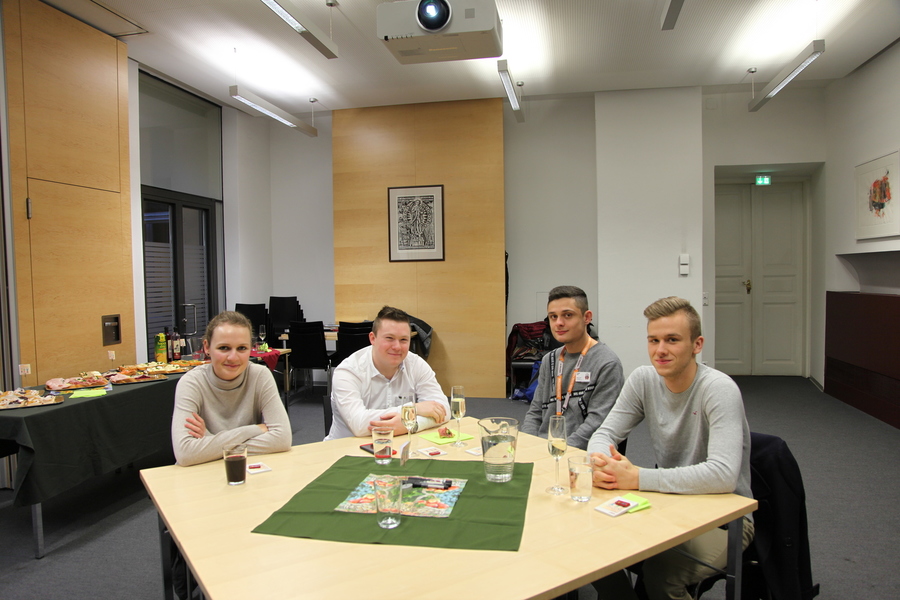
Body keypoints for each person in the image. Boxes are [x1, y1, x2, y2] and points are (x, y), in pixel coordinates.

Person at [588, 297, 754, 600]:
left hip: (725, 520)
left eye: (672, 340)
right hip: (668, 503)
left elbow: (723, 475)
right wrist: (600, 463)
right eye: (654, 340)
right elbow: (604, 434)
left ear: (697, 344)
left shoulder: (718, 389)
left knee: (662, 573)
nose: (660, 350)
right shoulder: (643, 379)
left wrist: (636, 478)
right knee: (593, 546)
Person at [172, 310, 292, 467]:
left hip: (245, 470)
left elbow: (282, 439)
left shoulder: (260, 376)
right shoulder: (191, 383)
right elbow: (185, 453)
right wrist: (254, 430)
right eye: (224, 348)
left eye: (242, 348)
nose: (233, 357)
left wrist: (209, 440)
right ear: (207, 347)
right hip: (199, 472)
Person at [521, 285, 624, 450]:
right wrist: (528, 445)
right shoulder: (549, 360)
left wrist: (559, 451)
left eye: (568, 315)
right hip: (543, 449)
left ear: (587, 317)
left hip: (581, 454)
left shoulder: (607, 363)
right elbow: (535, 412)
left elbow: (597, 423)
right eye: (553, 317)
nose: (559, 323)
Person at [325, 306, 449, 440]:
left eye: (403, 340)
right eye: (389, 338)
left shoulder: (416, 365)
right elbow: (358, 424)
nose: (397, 347)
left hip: (399, 446)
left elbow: (444, 411)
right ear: (373, 338)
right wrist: (412, 409)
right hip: (346, 448)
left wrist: (411, 425)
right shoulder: (348, 371)